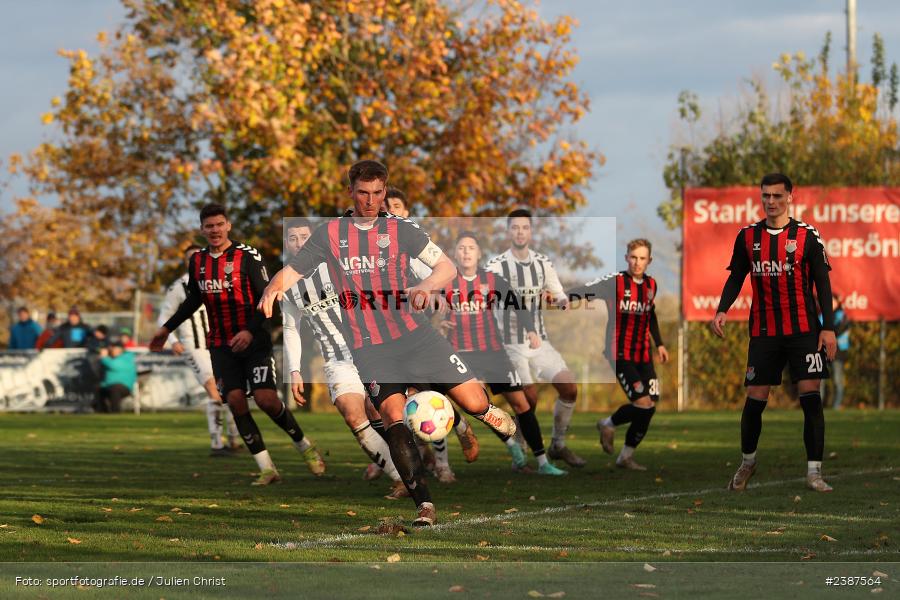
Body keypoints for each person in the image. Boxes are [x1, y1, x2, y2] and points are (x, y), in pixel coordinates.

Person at [259, 160, 517, 527]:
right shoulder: (329, 235)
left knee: (474, 401)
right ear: (350, 192)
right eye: (363, 193)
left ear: (385, 192)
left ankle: (485, 413)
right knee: (394, 420)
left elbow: (446, 268)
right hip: (371, 348)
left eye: (378, 193)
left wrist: (425, 286)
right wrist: (273, 286)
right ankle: (424, 505)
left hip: (417, 337)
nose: (370, 201)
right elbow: (295, 270)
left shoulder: (402, 230)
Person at [150, 203, 325, 485]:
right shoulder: (197, 262)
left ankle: (304, 444)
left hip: (254, 340)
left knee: (266, 399)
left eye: (219, 224)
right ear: (202, 229)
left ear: (228, 225)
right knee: (233, 400)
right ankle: (267, 468)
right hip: (220, 343)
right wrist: (165, 329)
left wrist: (248, 330)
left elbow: (266, 296)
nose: (215, 230)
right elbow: (195, 300)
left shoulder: (248, 256)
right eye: (209, 226)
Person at [711, 173, 836, 493]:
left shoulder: (808, 236)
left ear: (790, 197)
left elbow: (823, 283)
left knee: (811, 397)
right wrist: (722, 309)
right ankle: (748, 462)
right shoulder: (747, 236)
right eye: (766, 196)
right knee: (755, 398)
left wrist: (828, 328)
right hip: (765, 331)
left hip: (804, 330)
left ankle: (814, 472)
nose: (771, 202)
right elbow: (736, 276)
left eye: (777, 196)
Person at [282, 218, 408, 499]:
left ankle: (417, 462)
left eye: (304, 236)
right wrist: (294, 371)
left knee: (383, 412)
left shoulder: (336, 264)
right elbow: (291, 328)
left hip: (371, 349)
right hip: (336, 359)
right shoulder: (287, 283)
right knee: (353, 415)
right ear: (287, 243)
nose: (300, 242)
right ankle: (402, 478)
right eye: (293, 238)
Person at [441, 231, 567, 475]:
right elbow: (428, 310)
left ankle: (543, 463)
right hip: (463, 355)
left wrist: (531, 330)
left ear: (478, 254)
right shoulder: (446, 281)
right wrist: (439, 323)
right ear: (455, 254)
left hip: (494, 353)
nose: (466, 252)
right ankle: (512, 445)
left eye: (471, 248)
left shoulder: (491, 279)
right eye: (461, 248)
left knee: (521, 405)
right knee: (480, 407)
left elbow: (517, 304)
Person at [485, 209, 585, 468]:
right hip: (509, 344)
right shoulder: (496, 265)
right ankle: (519, 443)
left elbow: (558, 294)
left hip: (539, 340)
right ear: (509, 232)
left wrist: (562, 301)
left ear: (531, 231)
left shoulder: (543, 263)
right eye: (515, 228)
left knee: (569, 388)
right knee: (528, 400)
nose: (520, 232)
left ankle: (558, 445)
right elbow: (479, 293)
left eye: (525, 228)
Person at [568, 239, 668, 471]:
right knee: (642, 403)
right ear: (626, 258)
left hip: (644, 354)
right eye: (633, 257)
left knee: (650, 406)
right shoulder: (616, 282)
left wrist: (660, 344)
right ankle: (608, 424)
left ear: (649, 260)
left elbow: (650, 315)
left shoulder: (651, 285)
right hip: (620, 352)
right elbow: (586, 290)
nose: (637, 262)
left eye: (642, 258)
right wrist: (564, 297)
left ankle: (624, 456)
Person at [158, 244, 241, 457]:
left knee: (232, 391)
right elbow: (164, 316)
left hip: (220, 345)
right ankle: (216, 444)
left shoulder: (218, 279)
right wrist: (172, 340)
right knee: (214, 390)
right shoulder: (180, 286)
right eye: (190, 258)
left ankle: (234, 439)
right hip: (194, 346)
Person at [822, 296, 850, 409]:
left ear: (837, 302)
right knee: (820, 380)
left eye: (832, 300)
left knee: (837, 380)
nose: (830, 302)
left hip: (838, 353)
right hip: (823, 352)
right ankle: (817, 405)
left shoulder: (842, 316)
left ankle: (836, 406)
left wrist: (827, 331)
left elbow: (837, 331)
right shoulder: (822, 315)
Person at [96, 337, 136, 413]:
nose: (111, 350)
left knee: (115, 389)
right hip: (110, 386)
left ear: (120, 349)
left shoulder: (127, 357)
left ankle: (115, 412)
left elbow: (113, 365)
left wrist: (104, 357)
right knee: (98, 389)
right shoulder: (112, 358)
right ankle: (103, 412)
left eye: (113, 348)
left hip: (124, 387)